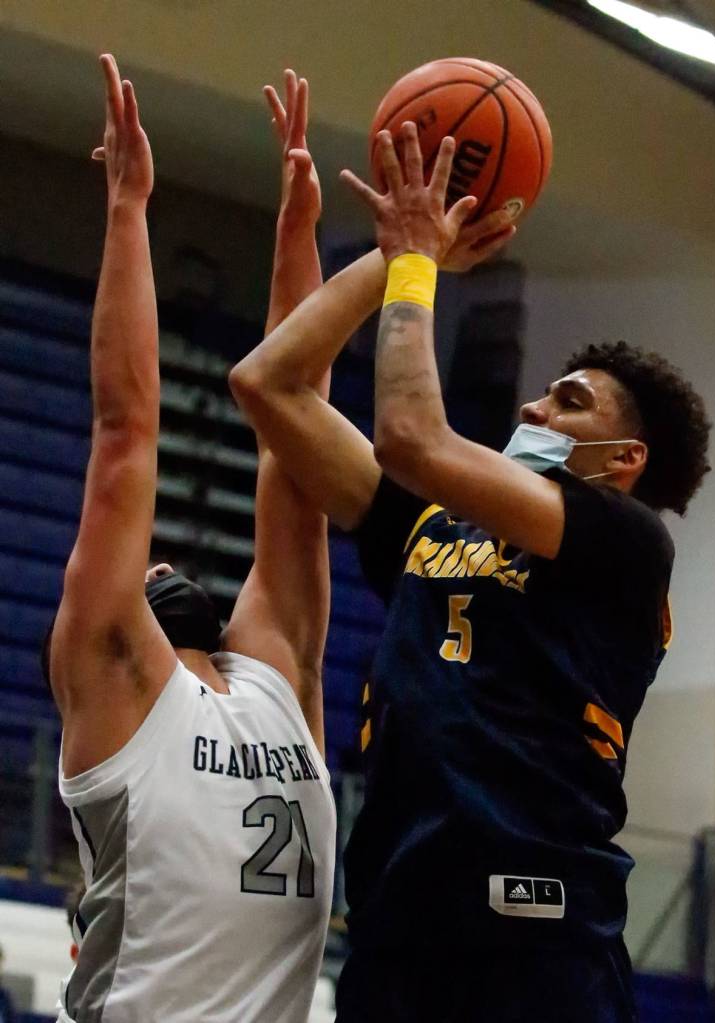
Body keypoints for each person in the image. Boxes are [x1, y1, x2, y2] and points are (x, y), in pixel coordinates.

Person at [234, 119, 711, 1022]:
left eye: (568, 402)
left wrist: (417, 261)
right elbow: (269, 384)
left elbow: (410, 436)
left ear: (623, 459)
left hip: (534, 935)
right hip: (396, 925)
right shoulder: (427, 526)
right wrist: (407, 258)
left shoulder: (625, 545)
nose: (533, 404)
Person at [46, 57, 335, 1022]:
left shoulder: (276, 674)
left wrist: (298, 235)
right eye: (149, 564)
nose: (161, 560)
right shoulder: (122, 681)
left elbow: (299, 443)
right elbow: (125, 434)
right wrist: (126, 212)